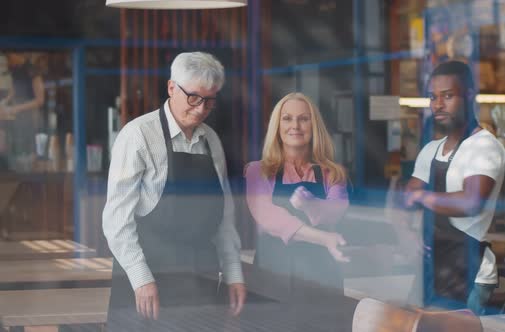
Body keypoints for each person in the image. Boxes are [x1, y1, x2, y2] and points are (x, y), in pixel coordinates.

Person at [103, 52, 246, 331]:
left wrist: (233, 273)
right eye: (194, 97)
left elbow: (224, 219)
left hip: (200, 283)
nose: (201, 108)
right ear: (171, 88)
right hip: (147, 284)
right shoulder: (139, 136)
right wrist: (141, 278)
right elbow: (116, 221)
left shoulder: (211, 140)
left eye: (210, 100)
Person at [403, 61, 505, 315]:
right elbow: (405, 199)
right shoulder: (431, 150)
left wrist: (422, 195)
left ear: (469, 96)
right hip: (434, 267)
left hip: (469, 271)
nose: (438, 105)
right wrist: (409, 232)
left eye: (447, 96)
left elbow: (470, 202)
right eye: (432, 97)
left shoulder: (484, 146)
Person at [244, 92, 350, 330]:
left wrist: (310, 204)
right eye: (287, 118)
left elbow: (336, 212)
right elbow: (271, 218)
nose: (295, 126)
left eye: (303, 118)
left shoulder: (333, 173)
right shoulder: (257, 171)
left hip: (323, 279)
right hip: (273, 280)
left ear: (314, 125)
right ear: (277, 125)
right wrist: (324, 237)